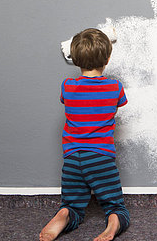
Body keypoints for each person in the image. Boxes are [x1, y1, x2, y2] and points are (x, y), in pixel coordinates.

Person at [40, 28, 130, 241]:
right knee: (115, 206)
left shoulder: (68, 86)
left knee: (72, 204)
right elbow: (115, 108)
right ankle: (114, 223)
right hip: (100, 157)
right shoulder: (115, 87)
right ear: (107, 59)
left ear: (76, 59)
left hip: (72, 157)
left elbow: (69, 102)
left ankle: (64, 214)